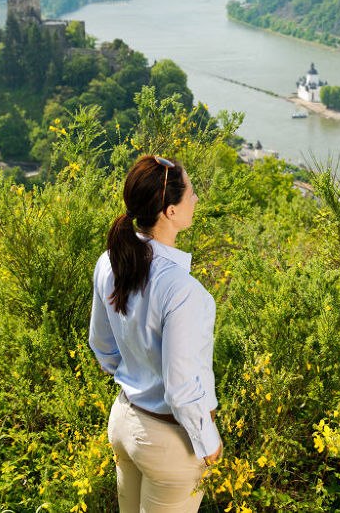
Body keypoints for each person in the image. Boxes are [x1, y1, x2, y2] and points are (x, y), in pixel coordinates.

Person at [89, 155, 222, 512]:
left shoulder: (110, 261)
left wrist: (135, 375)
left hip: (124, 421)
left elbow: (101, 345)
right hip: (170, 444)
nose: (195, 199)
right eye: (191, 193)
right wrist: (207, 440)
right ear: (170, 212)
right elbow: (181, 387)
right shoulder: (182, 290)